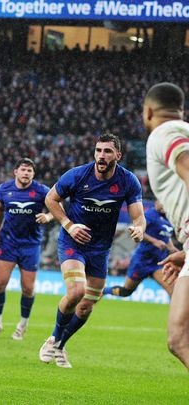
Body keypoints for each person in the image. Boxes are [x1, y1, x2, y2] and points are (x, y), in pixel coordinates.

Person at [39, 133, 145, 368]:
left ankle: (60, 345)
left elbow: (138, 217)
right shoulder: (77, 175)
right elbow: (50, 199)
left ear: (118, 155)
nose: (101, 156)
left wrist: (139, 229)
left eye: (107, 151)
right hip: (72, 243)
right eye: (98, 150)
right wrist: (69, 225)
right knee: (76, 291)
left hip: (100, 250)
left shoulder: (128, 181)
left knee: (87, 306)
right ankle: (54, 337)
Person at [143, 82, 189, 369]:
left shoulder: (164, 133)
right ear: (181, 111)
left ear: (148, 111)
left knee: (180, 337)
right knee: (179, 337)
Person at [0, 158, 52, 340]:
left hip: (30, 245)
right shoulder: (3, 190)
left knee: (28, 288)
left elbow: (57, 208)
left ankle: (22, 325)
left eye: (30, 170)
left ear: (33, 174)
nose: (26, 173)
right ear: (16, 171)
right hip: (8, 243)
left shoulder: (41, 191)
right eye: (23, 170)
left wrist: (48, 216)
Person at [103, 201, 176, 298]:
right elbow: (136, 230)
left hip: (158, 263)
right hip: (142, 261)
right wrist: (154, 241)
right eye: (161, 202)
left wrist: (172, 248)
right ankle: (102, 291)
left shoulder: (169, 218)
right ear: (156, 202)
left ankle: (177, 312)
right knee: (126, 291)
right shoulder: (150, 215)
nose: (163, 205)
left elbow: (166, 235)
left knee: (174, 292)